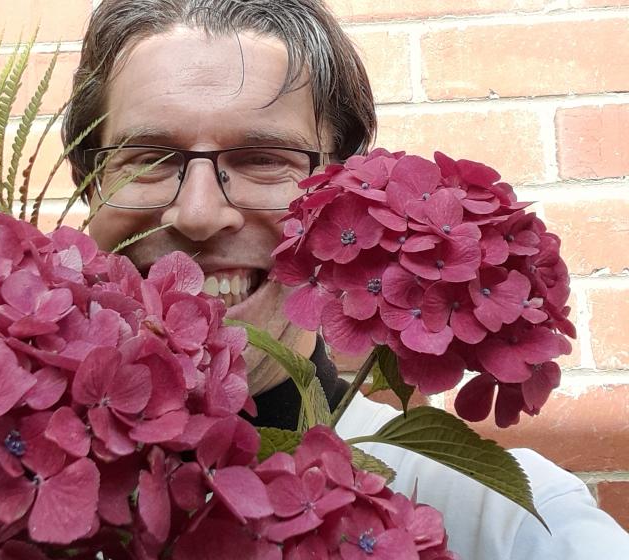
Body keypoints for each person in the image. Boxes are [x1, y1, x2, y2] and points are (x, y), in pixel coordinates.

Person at [62, 1, 629, 557]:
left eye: (265, 158)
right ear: (89, 188)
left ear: (341, 195)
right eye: (148, 159)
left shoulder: (502, 523)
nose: (200, 213)